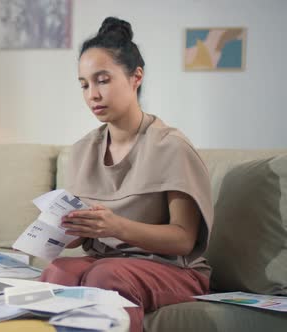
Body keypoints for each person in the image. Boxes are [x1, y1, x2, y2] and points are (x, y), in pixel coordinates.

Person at [39, 17, 214, 332]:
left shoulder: (171, 146)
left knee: (105, 278)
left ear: (136, 77)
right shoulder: (80, 151)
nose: (92, 94)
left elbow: (184, 240)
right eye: (84, 84)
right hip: (108, 262)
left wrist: (116, 226)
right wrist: (63, 231)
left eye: (102, 80)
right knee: (58, 272)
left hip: (172, 269)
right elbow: (80, 235)